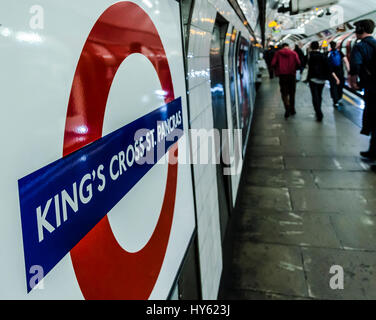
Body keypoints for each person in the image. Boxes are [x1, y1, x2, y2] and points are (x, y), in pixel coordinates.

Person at [348, 19, 376, 159]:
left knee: (373, 118)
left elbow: (355, 66)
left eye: (356, 28)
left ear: (361, 29)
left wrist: (353, 82)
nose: (354, 31)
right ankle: (372, 151)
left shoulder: (359, 46)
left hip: (372, 88)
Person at [307, 41, 340, 122]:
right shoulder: (323, 56)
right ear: (319, 47)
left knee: (314, 96)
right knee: (319, 95)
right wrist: (336, 78)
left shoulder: (309, 56)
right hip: (322, 80)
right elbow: (329, 68)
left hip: (312, 79)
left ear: (311, 47)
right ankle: (319, 109)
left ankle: (318, 113)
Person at [271, 43, 301, 118]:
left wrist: (277, 69)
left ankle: (287, 107)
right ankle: (292, 109)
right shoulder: (294, 53)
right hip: (292, 75)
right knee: (292, 93)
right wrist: (295, 68)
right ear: (288, 46)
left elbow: (273, 63)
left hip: (282, 76)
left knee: (284, 93)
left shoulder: (277, 53)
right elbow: (298, 63)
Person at [327, 41, 350, 108]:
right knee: (340, 87)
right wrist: (349, 71)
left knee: (333, 87)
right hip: (340, 73)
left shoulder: (328, 53)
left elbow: (327, 65)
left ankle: (335, 100)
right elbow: (346, 62)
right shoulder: (340, 52)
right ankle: (339, 98)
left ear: (330, 46)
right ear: (336, 45)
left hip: (332, 73)